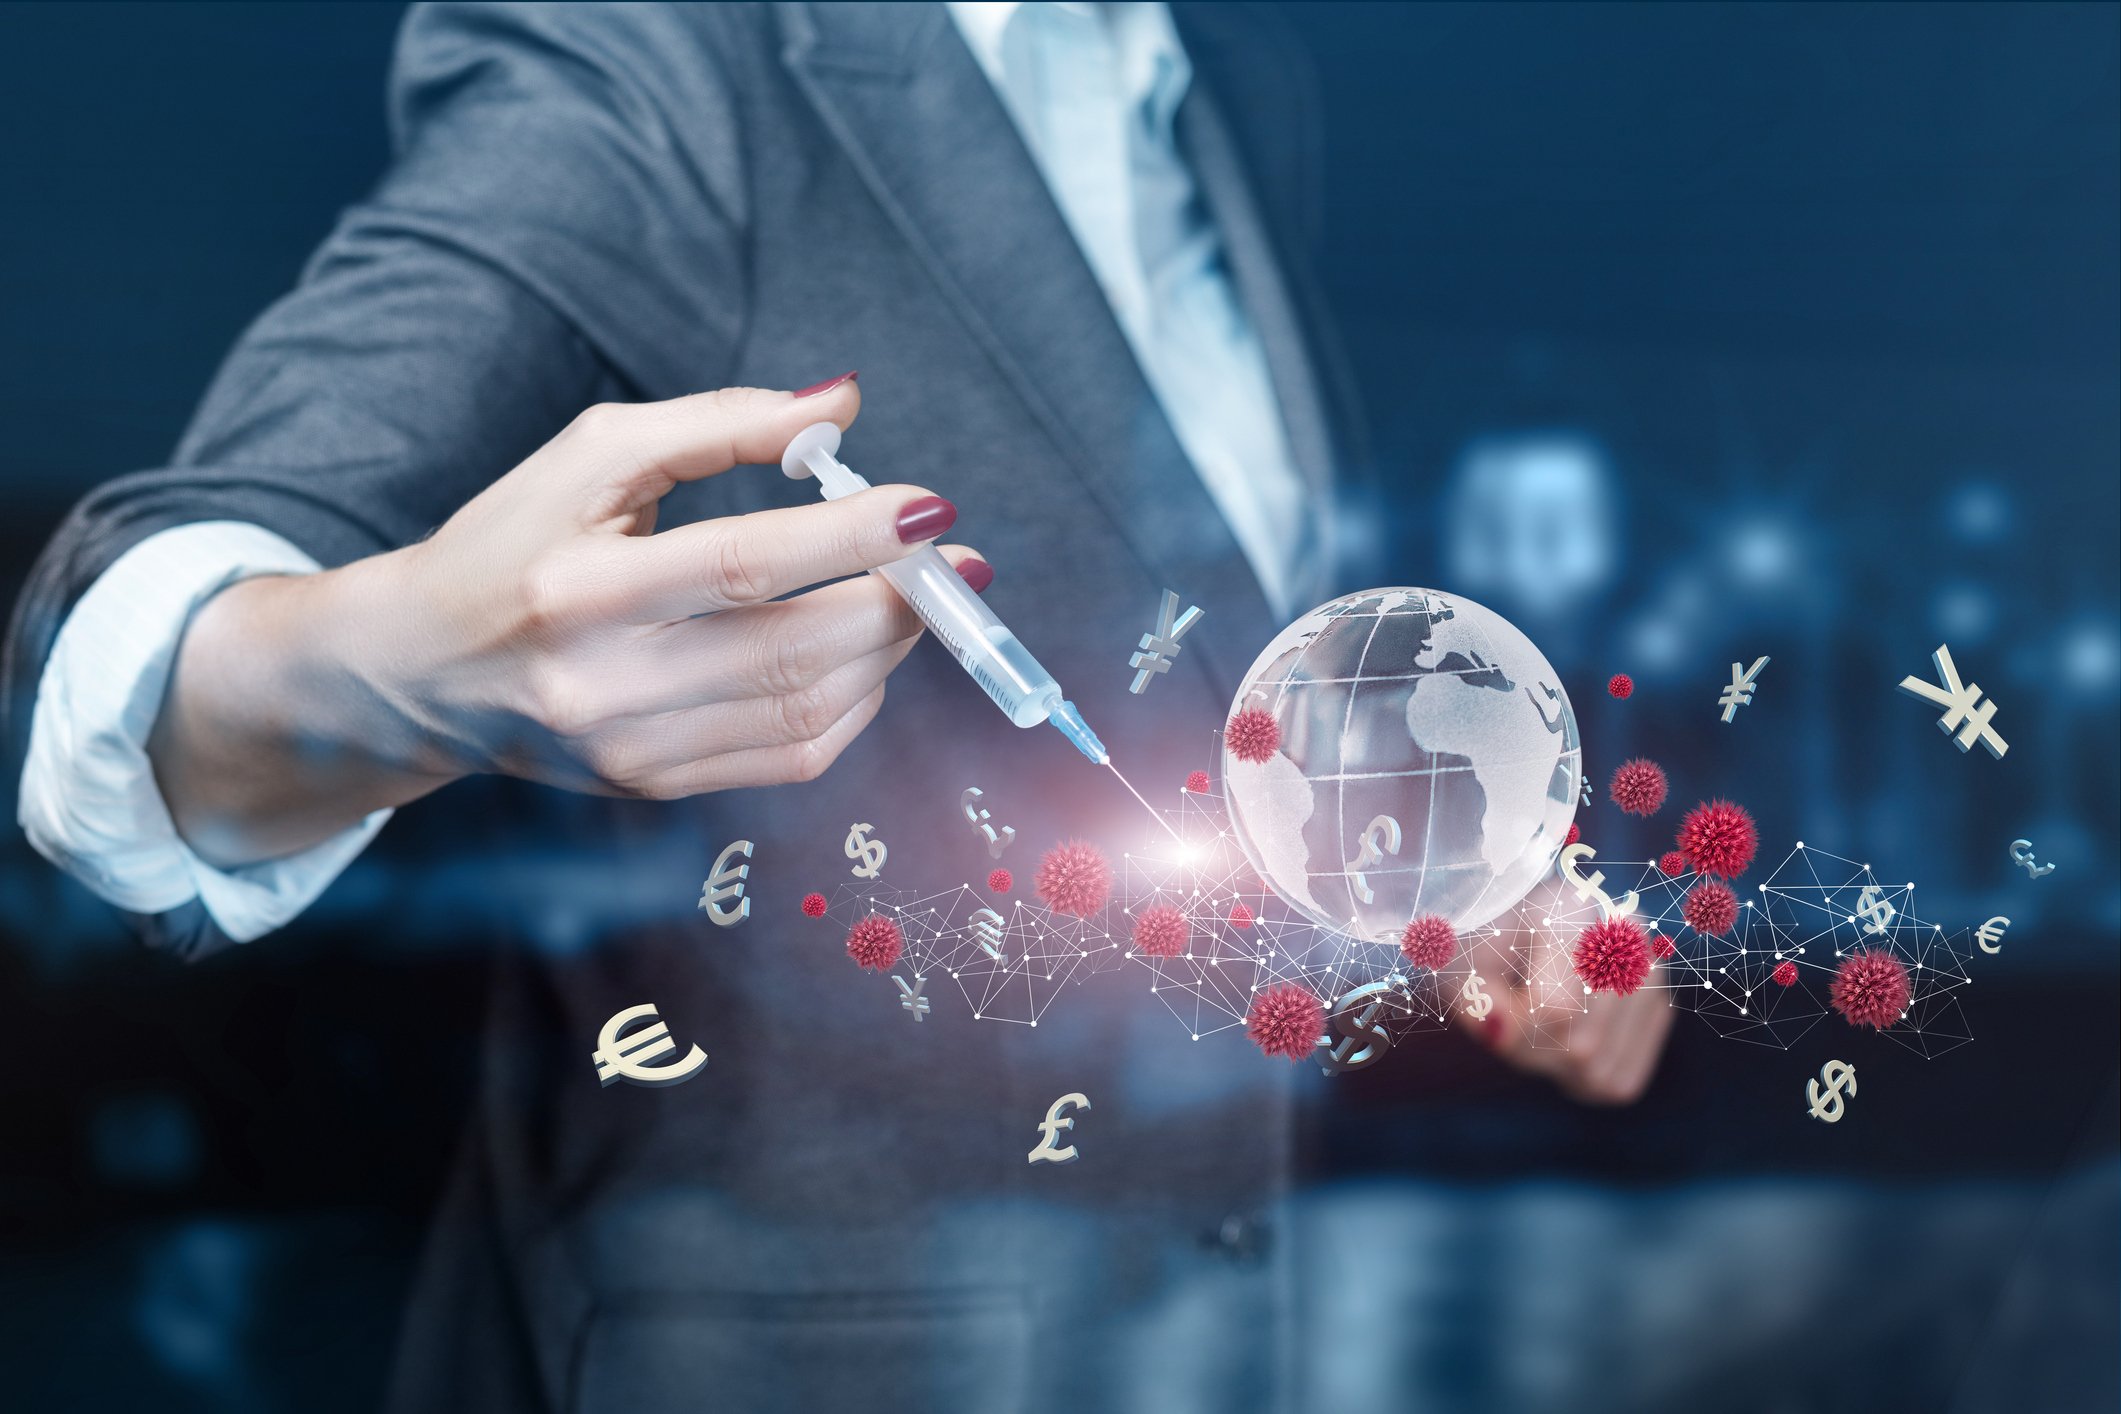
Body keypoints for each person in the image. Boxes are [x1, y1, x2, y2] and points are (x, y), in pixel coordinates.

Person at [6, 5, 1670, 1409]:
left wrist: (1461, 879)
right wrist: (391, 667)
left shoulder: (1225, 85)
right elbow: (182, 603)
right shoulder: (662, 62)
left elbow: (1200, 664)